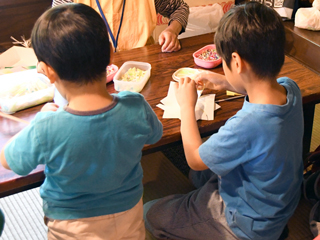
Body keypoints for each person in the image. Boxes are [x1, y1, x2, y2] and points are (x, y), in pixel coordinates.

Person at [0, 3, 163, 240]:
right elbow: (155, 135)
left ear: (47, 71)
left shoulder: (46, 126)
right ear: (109, 54)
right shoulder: (136, 105)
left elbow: (8, 160)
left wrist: (42, 119)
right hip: (129, 221)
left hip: (71, 229)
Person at [144, 2, 304, 240]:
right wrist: (225, 82)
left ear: (237, 62)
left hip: (246, 223)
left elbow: (196, 159)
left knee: (150, 213)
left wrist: (187, 106)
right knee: (199, 178)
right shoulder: (291, 88)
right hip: (279, 204)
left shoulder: (247, 125)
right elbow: (259, 90)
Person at [52, 0, 189, 52]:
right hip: (90, 72)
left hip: (144, 66)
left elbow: (180, 8)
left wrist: (172, 30)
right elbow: (54, 30)